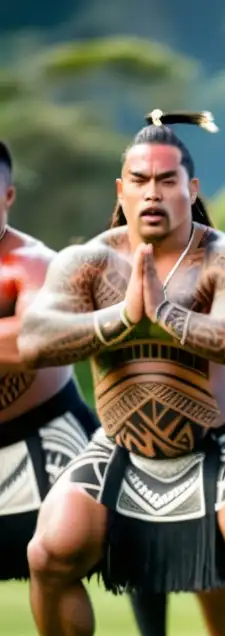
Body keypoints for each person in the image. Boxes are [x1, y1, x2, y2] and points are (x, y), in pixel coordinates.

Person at [14, 111, 225, 636]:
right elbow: (36, 340)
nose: (153, 191)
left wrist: (166, 314)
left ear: (192, 189)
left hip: (222, 438)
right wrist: (120, 319)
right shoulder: (85, 262)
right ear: (120, 189)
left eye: (168, 180)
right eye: (139, 180)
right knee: (51, 550)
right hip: (119, 442)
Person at [0, 140, 98, 587]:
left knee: (126, 536)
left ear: (8, 196)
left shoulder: (36, 263)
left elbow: (29, 344)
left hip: (46, 435)